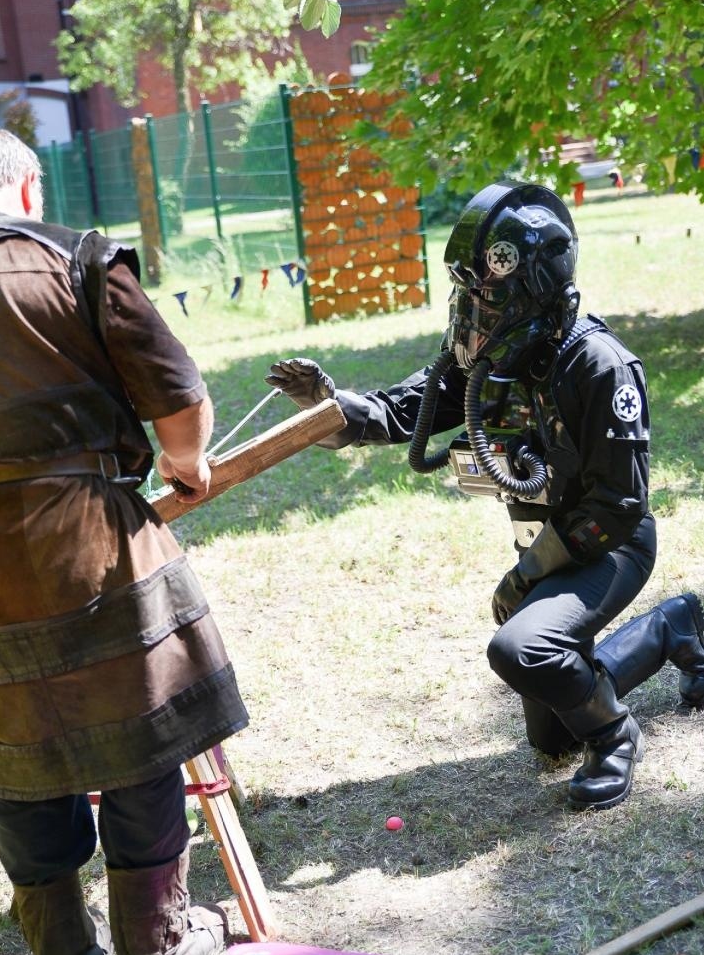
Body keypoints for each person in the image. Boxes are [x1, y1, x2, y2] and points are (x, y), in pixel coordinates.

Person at [0, 128, 249, 955]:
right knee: (137, 730)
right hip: (80, 532)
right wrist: (187, 461)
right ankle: (156, 950)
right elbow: (176, 396)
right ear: (26, 192)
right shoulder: (73, 257)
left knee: (21, 746)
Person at [267, 180, 703, 812]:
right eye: (467, 293)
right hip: (544, 547)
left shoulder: (600, 365)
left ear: (534, 290)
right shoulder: (492, 357)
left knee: (520, 648)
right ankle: (673, 627)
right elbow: (404, 408)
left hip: (608, 546)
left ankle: (614, 735)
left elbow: (617, 507)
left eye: (487, 296)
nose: (473, 310)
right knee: (549, 738)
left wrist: (529, 575)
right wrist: (328, 410)